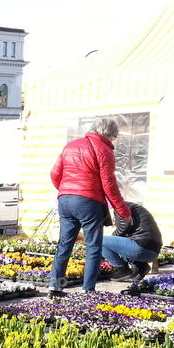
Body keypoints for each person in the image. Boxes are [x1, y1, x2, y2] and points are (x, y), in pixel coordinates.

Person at [48, 117, 131, 297]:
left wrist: (66, 189)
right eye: (114, 137)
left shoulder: (71, 146)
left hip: (65, 199)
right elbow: (109, 185)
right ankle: (88, 290)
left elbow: (55, 173)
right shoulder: (104, 150)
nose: (112, 141)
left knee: (64, 245)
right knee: (93, 246)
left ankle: (56, 287)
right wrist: (123, 211)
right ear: (107, 134)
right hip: (88, 202)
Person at [101, 202, 162, 282]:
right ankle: (140, 266)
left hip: (141, 247)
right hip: (152, 250)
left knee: (99, 241)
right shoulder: (129, 206)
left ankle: (122, 269)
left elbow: (124, 226)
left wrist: (113, 238)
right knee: (118, 242)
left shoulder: (120, 207)